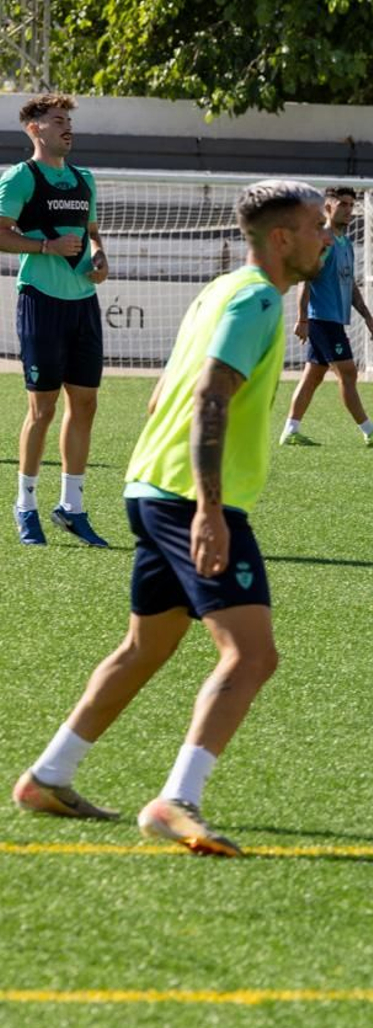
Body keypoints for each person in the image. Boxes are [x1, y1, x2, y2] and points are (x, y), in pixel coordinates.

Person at [11, 180, 331, 856]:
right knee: (251, 654)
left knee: (146, 647)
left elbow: (164, 389)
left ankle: (49, 775)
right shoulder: (255, 299)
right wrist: (210, 508)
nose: (325, 237)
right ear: (282, 238)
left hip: (152, 483)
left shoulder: (219, 290)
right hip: (189, 497)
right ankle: (175, 799)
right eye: (316, 226)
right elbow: (209, 393)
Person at [1, 93, 110, 546]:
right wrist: (44, 247)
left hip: (83, 301)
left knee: (84, 404)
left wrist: (100, 258)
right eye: (57, 120)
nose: (67, 127)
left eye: (69, 120)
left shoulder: (85, 179)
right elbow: (1, 235)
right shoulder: (20, 178)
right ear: (35, 129)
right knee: (42, 409)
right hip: (41, 300)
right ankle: (24, 505)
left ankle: (72, 507)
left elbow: (92, 234)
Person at [279, 186, 373, 447]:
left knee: (313, 377)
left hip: (333, 319)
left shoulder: (345, 243)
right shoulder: (324, 240)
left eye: (351, 205)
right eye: (342, 204)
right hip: (322, 319)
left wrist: (367, 316)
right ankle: (369, 431)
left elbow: (350, 284)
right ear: (328, 207)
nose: (348, 210)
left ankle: (290, 431)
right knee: (348, 372)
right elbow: (305, 278)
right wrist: (302, 319)